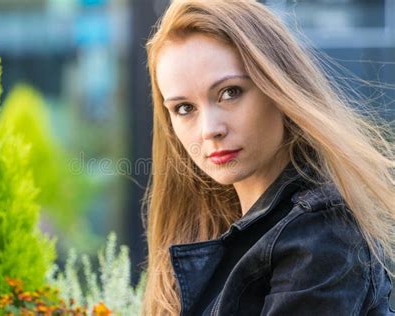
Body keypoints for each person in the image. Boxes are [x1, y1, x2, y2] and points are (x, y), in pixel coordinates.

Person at [141, 0, 395, 315]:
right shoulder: (230, 227)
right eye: (184, 108)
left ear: (277, 85)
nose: (209, 130)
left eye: (230, 92)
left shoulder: (319, 232)